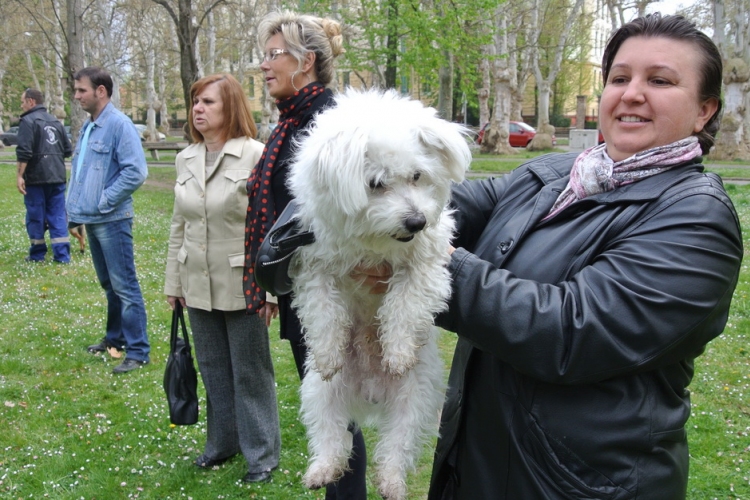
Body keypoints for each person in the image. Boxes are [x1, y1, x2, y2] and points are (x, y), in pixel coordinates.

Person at [351, 13, 743, 499]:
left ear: (704, 111)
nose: (632, 93)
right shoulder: (557, 173)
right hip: (480, 460)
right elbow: (447, 206)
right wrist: (340, 208)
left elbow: (573, 331)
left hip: (576, 483)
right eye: (619, 78)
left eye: (659, 81)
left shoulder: (696, 219)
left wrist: (434, 266)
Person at [242, 11, 367, 499]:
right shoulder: (291, 121)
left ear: (306, 60)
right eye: (265, 55)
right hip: (304, 290)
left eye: (274, 55)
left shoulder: (332, 125)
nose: (264, 65)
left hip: (335, 292)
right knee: (329, 403)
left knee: (337, 407)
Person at [164, 73, 281, 484]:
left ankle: (262, 456)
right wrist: (173, 284)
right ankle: (221, 444)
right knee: (213, 367)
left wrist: (272, 292)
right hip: (196, 281)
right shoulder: (186, 158)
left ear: (230, 107)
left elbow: (271, 229)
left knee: (251, 371)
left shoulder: (256, 154)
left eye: (208, 102)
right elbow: (179, 224)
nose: (198, 109)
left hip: (243, 282)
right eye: (196, 102)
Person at [67, 67, 150, 375]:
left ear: (100, 91)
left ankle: (139, 350)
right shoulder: (89, 127)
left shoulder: (119, 125)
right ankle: (115, 338)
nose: (76, 96)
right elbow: (80, 174)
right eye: (76, 91)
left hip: (112, 219)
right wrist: (75, 215)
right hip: (90, 219)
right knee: (109, 285)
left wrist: (103, 201)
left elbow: (136, 172)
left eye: (81, 90)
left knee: (125, 286)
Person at [16, 88, 73, 263]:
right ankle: (62, 256)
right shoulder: (56, 121)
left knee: (36, 216)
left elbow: (24, 151)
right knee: (58, 216)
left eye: (23, 101)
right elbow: (67, 150)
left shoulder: (28, 121)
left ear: (31, 101)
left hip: (36, 178)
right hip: (57, 176)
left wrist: (20, 175)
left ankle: (37, 254)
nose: (22, 105)